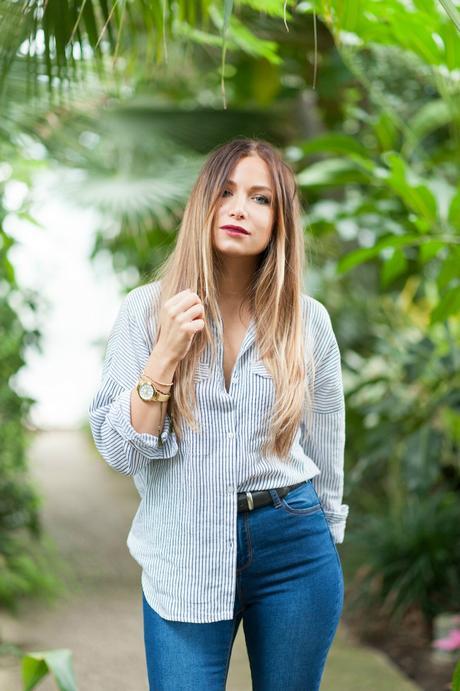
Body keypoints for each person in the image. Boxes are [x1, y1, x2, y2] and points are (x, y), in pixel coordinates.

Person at [88, 137, 349, 691]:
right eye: (226, 192)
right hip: (184, 546)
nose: (238, 208)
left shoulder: (308, 321)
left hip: (294, 546)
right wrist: (164, 355)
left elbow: (327, 445)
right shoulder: (144, 311)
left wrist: (327, 536)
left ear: (279, 222)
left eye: (261, 199)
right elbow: (117, 451)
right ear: (203, 203)